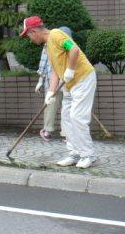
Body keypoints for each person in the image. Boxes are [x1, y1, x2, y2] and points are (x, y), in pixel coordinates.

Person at [21, 16, 97, 169]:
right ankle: (75, 153)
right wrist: (50, 92)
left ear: (34, 31)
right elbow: (55, 70)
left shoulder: (56, 34)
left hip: (82, 78)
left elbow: (74, 49)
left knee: (77, 117)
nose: (29, 38)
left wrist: (70, 69)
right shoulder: (48, 45)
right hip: (68, 83)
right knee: (66, 117)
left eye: (28, 35)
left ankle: (88, 154)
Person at [35, 26, 73, 141]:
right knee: (68, 106)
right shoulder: (70, 44)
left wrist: (40, 80)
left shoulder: (49, 45)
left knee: (51, 104)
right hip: (67, 80)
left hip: (55, 80)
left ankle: (47, 130)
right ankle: (66, 133)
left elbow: (43, 62)